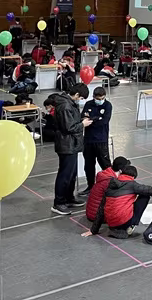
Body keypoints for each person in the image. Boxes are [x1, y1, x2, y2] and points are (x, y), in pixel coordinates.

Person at [50, 83, 91, 215]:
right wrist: (82, 124)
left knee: (72, 174)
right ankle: (59, 203)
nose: (81, 100)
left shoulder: (70, 104)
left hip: (72, 144)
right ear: (77, 95)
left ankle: (68, 198)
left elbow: (71, 121)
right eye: (81, 98)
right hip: (66, 144)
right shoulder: (65, 106)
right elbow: (68, 127)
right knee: (65, 174)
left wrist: (81, 120)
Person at [90, 165, 152, 238]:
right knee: (145, 196)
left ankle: (120, 226)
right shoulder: (132, 184)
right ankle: (132, 225)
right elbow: (150, 190)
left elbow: (101, 209)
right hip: (123, 222)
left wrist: (93, 230)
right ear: (133, 177)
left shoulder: (110, 185)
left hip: (111, 223)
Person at [79, 87, 112, 195]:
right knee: (88, 165)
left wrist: (92, 120)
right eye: (98, 99)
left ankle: (111, 186)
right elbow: (83, 118)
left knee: (105, 164)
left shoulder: (108, 105)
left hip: (101, 140)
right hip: (88, 140)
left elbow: (104, 121)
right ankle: (90, 186)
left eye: (102, 98)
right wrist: (97, 118)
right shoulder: (88, 104)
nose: (100, 100)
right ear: (94, 97)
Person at [86, 156, 130, 223]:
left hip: (92, 213)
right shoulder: (112, 182)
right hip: (98, 217)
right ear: (121, 170)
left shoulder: (106, 174)